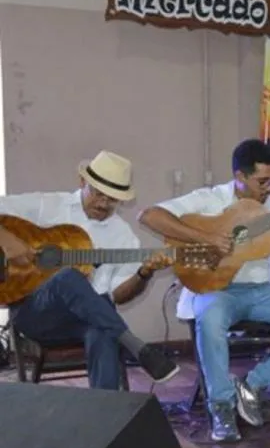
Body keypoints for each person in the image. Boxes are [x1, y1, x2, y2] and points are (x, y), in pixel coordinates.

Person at [139, 139, 270, 443]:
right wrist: (206, 237)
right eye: (261, 181)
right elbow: (149, 216)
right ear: (239, 177)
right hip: (217, 289)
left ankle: (253, 385)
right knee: (211, 319)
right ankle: (221, 406)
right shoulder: (210, 199)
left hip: (262, 291)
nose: (268, 187)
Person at [0, 151, 178, 390]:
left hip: (85, 320)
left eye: (112, 199)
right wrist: (9, 241)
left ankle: (105, 418)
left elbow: (118, 296)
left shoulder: (123, 235)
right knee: (68, 276)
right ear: (83, 182)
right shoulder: (48, 205)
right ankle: (137, 348)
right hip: (34, 312)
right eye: (98, 194)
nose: (103, 204)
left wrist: (144, 272)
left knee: (102, 328)